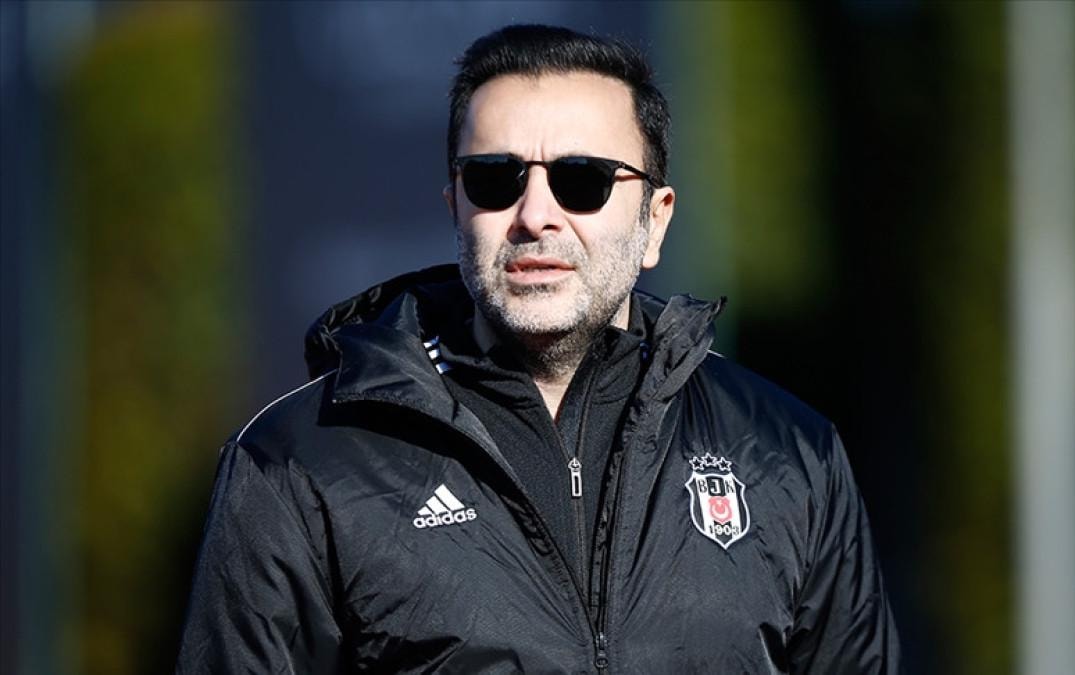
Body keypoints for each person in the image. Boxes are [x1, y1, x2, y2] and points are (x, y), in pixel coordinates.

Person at [176, 24, 900, 674]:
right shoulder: (297, 461)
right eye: (495, 179)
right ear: (455, 207)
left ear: (655, 221)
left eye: (583, 180)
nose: (535, 215)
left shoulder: (789, 453)